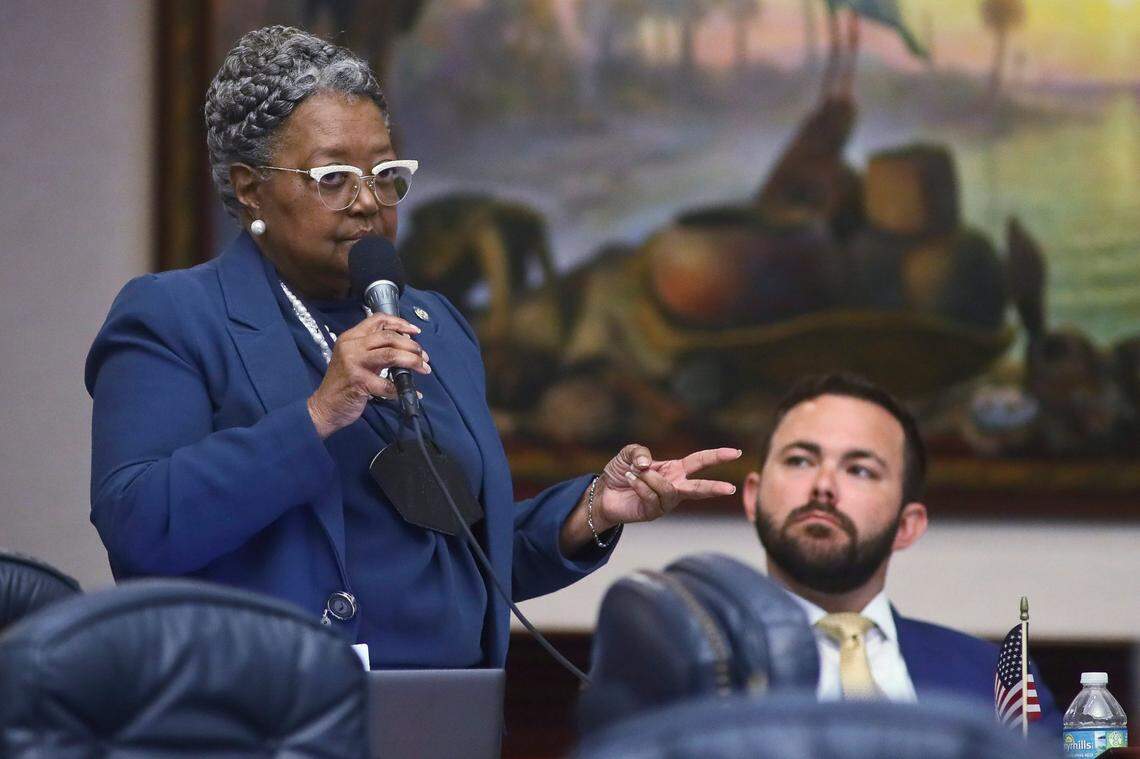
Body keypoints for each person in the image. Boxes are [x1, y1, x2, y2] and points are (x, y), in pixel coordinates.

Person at [85, 25, 740, 669]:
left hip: (447, 711)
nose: (368, 202)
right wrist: (317, 415)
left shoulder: (435, 325)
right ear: (251, 187)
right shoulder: (177, 317)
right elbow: (140, 525)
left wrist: (591, 509)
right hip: (269, 712)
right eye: (333, 178)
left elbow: (467, 557)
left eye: (385, 173)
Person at [739, 373, 1061, 734]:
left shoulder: (996, 678)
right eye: (800, 461)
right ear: (753, 497)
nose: (823, 486)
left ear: (907, 525)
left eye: (859, 470)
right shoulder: (698, 667)